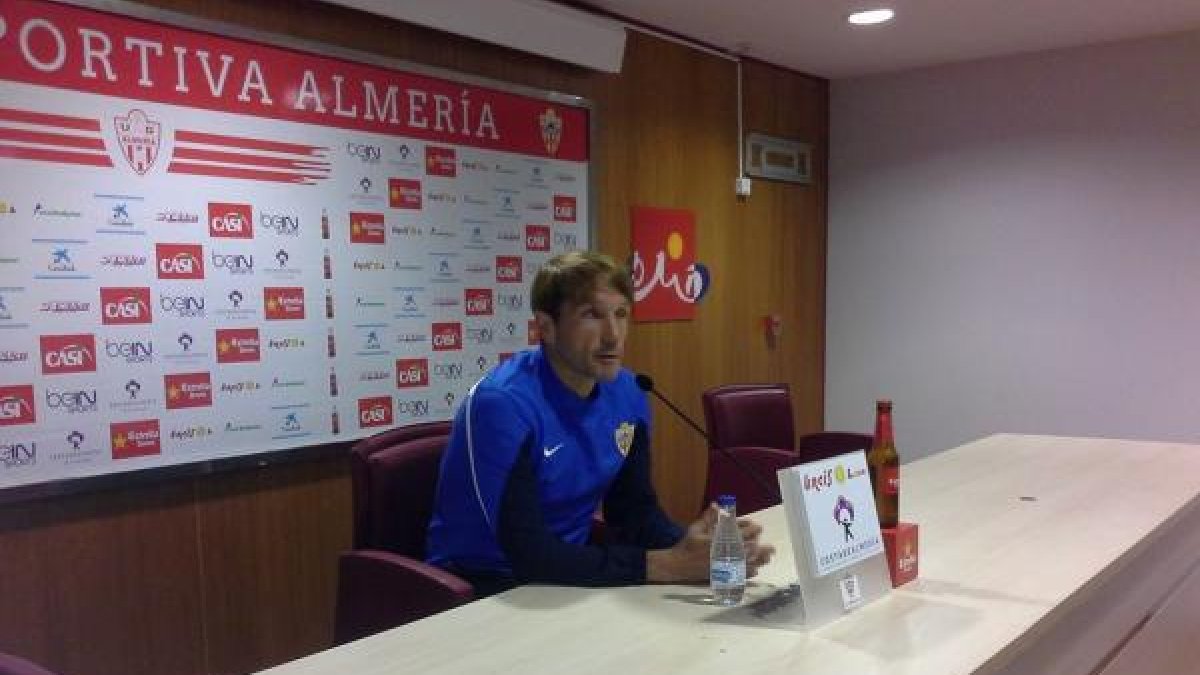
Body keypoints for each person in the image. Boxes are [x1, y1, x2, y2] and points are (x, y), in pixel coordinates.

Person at [427, 250, 774, 596]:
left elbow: (634, 514)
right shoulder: (502, 405)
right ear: (546, 327)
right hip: (483, 586)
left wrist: (700, 548)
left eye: (621, 314)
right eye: (592, 315)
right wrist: (666, 564)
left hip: (567, 576)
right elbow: (528, 553)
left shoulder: (628, 391)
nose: (613, 336)